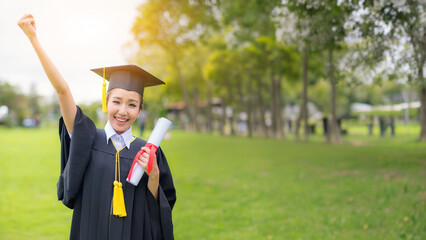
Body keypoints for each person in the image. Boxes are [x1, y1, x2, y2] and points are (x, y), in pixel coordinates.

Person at [18, 14, 176, 240]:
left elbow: (157, 214)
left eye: (132, 104)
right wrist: (33, 38)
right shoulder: (88, 138)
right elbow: (62, 90)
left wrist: (153, 176)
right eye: (117, 101)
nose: (123, 110)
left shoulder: (149, 151)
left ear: (140, 110)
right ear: (106, 103)